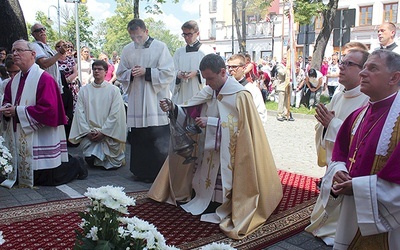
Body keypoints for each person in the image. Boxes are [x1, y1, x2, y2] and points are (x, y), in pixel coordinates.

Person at [148, 53, 282, 240]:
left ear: (222, 72)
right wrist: (173, 108)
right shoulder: (209, 90)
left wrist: (211, 123)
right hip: (209, 148)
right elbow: (190, 110)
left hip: (230, 152)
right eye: (205, 79)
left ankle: (227, 203)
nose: (208, 83)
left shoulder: (241, 95)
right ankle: (208, 199)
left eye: (210, 78)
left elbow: (243, 129)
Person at [318, 49, 400, 249]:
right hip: (351, 213)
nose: (363, 73)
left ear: (394, 78)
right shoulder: (358, 115)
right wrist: (339, 173)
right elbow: (339, 155)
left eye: (372, 68)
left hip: (389, 227)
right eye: (363, 67)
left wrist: (357, 187)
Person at [0, 40, 87, 188]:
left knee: (48, 179)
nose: (15, 53)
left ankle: (77, 163)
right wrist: (7, 109)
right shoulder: (13, 82)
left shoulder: (44, 79)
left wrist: (17, 111)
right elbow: (7, 101)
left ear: (33, 54)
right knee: (26, 175)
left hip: (41, 137)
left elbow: (49, 110)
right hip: (22, 136)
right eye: (13, 51)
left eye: (19, 50)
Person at [305, 49, 370, 246]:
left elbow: (365, 136)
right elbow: (327, 128)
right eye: (342, 62)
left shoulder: (367, 99)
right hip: (336, 163)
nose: (341, 66)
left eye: (349, 64)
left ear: (362, 70)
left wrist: (333, 124)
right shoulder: (339, 95)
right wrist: (324, 126)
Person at [116, 18, 175, 182]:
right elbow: (120, 73)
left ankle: (159, 173)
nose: (136, 40)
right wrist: (130, 74)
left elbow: (169, 72)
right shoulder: (127, 50)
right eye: (133, 37)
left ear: (146, 31)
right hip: (136, 99)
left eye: (139, 37)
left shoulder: (160, 47)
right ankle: (140, 171)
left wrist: (147, 72)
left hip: (154, 99)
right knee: (140, 136)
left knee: (156, 135)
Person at [69, 60, 126, 170]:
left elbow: (115, 114)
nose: (96, 71)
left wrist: (104, 132)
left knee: (111, 164)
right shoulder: (84, 91)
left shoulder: (114, 90)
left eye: (99, 69)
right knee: (90, 159)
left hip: (109, 135)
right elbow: (79, 114)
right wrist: (87, 132)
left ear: (105, 72)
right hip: (90, 133)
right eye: (94, 69)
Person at [172, 20, 214, 104]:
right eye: (184, 34)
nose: (186, 37)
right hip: (183, 91)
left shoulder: (207, 50)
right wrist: (179, 74)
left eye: (189, 34)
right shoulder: (179, 52)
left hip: (200, 91)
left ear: (197, 33)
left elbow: (213, 71)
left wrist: (197, 73)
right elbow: (172, 71)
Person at [226, 54, 267, 130]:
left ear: (244, 68)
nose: (231, 69)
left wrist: (256, 133)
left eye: (234, 67)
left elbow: (261, 113)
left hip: (246, 131)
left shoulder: (252, 90)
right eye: (229, 67)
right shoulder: (225, 88)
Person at [30, 23, 65, 91]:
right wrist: (60, 53)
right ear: (33, 34)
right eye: (38, 30)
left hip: (54, 86)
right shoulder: (35, 46)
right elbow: (44, 63)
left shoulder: (48, 47)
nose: (42, 31)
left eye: (43, 29)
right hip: (45, 87)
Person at [274, 55, 293, 121]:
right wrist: (287, 68)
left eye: (287, 58)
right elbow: (282, 73)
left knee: (287, 101)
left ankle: (286, 114)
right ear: (282, 59)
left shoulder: (290, 65)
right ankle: (279, 114)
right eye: (285, 58)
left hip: (288, 85)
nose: (286, 59)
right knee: (281, 102)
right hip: (281, 85)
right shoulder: (279, 65)